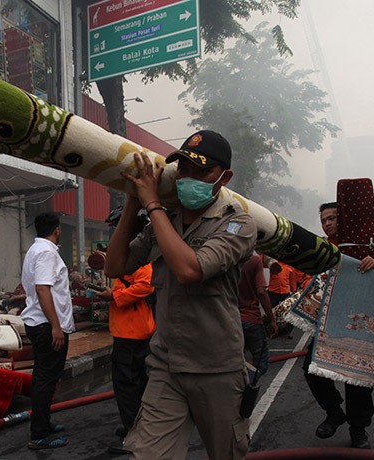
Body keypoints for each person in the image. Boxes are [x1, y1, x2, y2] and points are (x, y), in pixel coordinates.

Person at [104, 130, 257, 459]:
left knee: (226, 453)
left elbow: (190, 271)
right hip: (166, 366)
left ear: (224, 177)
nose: (189, 178)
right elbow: (114, 267)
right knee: (146, 454)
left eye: (202, 172)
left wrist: (153, 204)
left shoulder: (237, 224)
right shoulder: (161, 223)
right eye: (184, 169)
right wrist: (133, 201)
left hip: (217, 368)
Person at [303, 202, 374, 450]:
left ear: (344, 220)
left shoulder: (365, 247)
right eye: (324, 220)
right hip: (329, 321)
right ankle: (334, 412)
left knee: (357, 379)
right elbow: (309, 278)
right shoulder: (321, 248)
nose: (328, 223)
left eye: (333, 218)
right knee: (310, 368)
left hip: (361, 322)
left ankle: (359, 429)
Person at [97, 210, 156, 454]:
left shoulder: (139, 255)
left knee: (126, 384)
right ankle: (136, 426)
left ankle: (135, 435)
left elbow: (146, 284)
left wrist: (114, 295)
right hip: (133, 329)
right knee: (138, 381)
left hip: (131, 331)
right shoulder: (134, 253)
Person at [20, 213, 75, 450]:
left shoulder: (36, 250)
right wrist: (55, 326)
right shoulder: (46, 252)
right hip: (46, 325)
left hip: (41, 323)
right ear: (57, 229)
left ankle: (43, 423)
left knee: (45, 377)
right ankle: (39, 434)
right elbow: (43, 289)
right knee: (45, 378)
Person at [238, 254, 279, 379]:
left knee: (232, 362)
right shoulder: (254, 261)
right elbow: (261, 292)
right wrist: (272, 320)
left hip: (230, 319)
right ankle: (247, 387)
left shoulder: (227, 258)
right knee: (260, 363)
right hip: (251, 319)